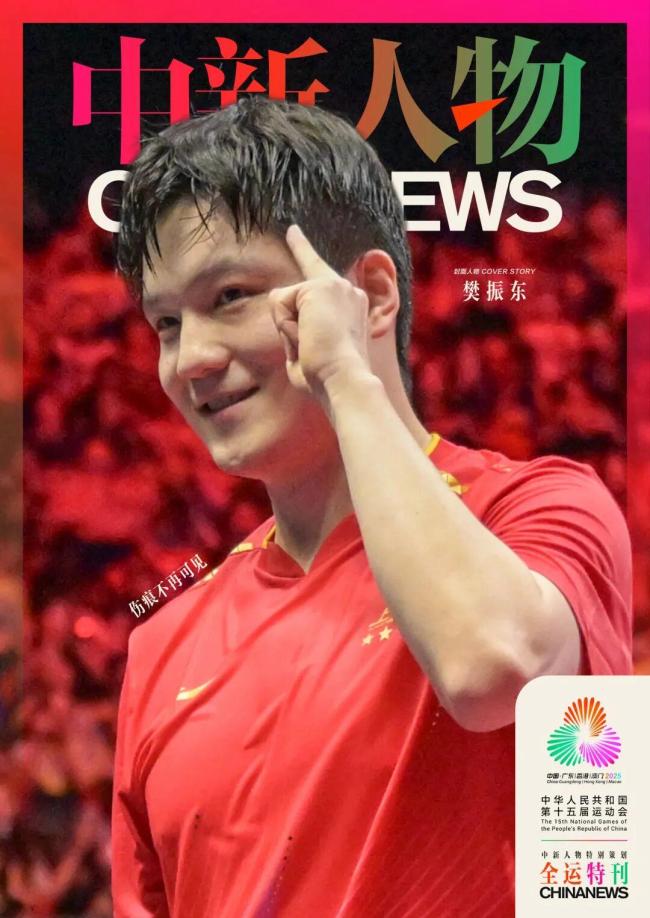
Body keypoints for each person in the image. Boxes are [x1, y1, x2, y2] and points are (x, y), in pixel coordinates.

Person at [111, 97, 632, 917]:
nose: (192, 359)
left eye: (232, 295)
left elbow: (489, 669)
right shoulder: (163, 643)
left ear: (373, 295)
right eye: (167, 323)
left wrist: (346, 378)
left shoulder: (541, 512)